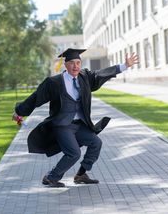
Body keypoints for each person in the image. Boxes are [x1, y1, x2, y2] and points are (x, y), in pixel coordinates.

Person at [13, 48, 138, 188]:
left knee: (96, 143)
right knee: (74, 153)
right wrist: (19, 111)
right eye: (72, 63)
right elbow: (36, 98)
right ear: (65, 65)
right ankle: (51, 177)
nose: (75, 66)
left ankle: (80, 175)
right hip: (62, 125)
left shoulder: (84, 77)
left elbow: (101, 74)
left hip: (79, 124)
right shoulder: (54, 82)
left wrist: (124, 66)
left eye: (78, 62)